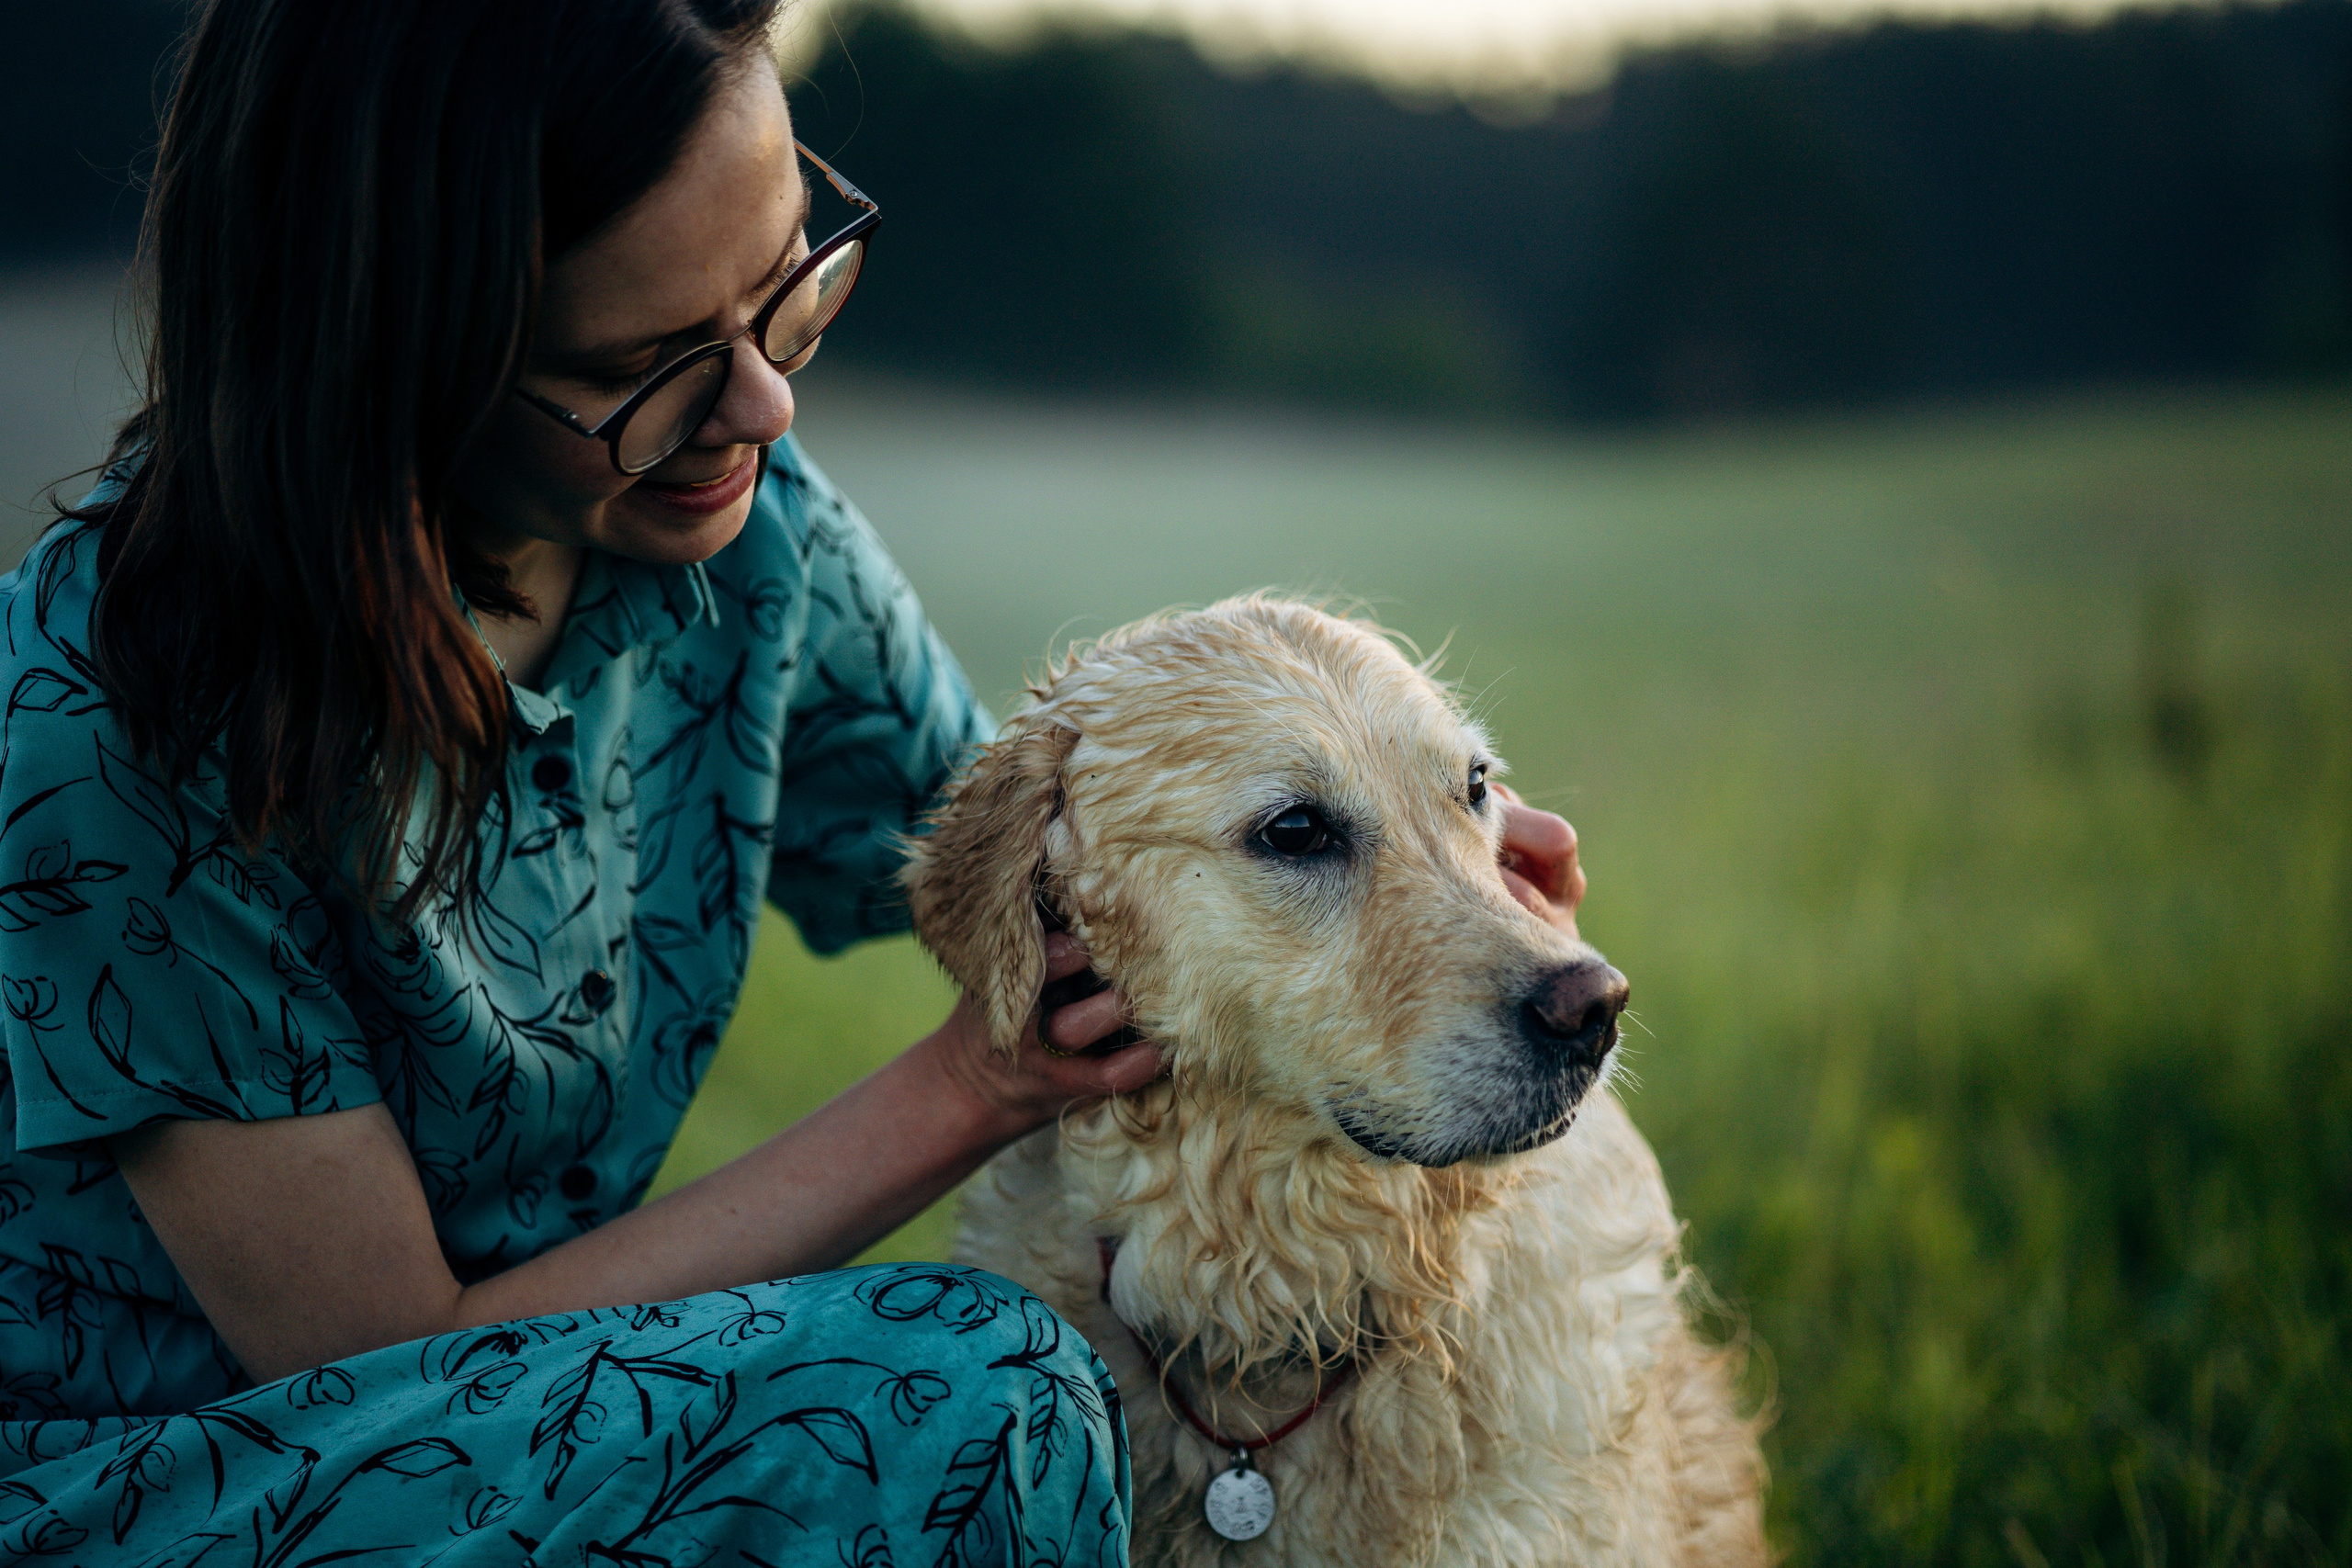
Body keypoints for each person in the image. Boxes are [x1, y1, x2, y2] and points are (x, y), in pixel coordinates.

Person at [0, 0, 1588, 1561]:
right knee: (979, 1397)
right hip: (180, 1482)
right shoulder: (122, 717)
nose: (766, 405)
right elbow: (384, 1364)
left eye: (788, 293)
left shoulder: (746, 534)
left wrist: (1422, 848)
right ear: (387, 347)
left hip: (566, 1419)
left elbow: (1066, 867)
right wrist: (971, 1087)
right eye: (650, 363)